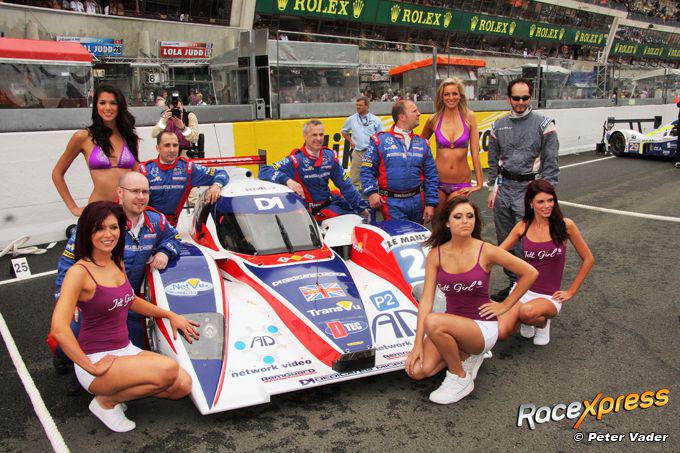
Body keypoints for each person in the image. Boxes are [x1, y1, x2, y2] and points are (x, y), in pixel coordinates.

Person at [51, 201, 197, 432]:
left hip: (124, 350)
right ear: (87, 231)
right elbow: (59, 329)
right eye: (99, 228)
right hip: (96, 359)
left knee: (183, 386)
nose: (108, 234)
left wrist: (170, 315)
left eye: (113, 227)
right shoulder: (78, 272)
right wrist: (90, 366)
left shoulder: (115, 261)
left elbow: (130, 300)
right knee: (167, 369)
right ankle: (106, 402)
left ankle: (116, 395)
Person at [404, 197, 537, 404]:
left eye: (470, 216)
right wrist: (417, 345)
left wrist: (505, 305)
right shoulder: (436, 255)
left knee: (434, 322)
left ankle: (459, 377)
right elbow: (426, 302)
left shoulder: (486, 250)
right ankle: (467, 356)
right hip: (452, 325)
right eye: (458, 217)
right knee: (417, 370)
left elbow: (530, 273)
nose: (465, 221)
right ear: (447, 223)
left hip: (481, 327)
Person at [487, 78, 559, 302]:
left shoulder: (544, 124)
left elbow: (551, 164)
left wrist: (544, 197)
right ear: (508, 98)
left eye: (525, 98)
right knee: (505, 241)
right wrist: (492, 188)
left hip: (530, 190)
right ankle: (513, 284)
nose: (520, 102)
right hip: (503, 189)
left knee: (528, 243)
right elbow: (493, 161)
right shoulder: (498, 126)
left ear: (531, 98)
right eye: (516, 98)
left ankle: (532, 288)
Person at [496, 182, 594, 345]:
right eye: (541, 201)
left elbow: (589, 259)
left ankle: (542, 323)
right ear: (531, 203)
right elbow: (498, 253)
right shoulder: (523, 226)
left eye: (550, 200)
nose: (547, 205)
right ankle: (525, 320)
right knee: (501, 333)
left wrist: (571, 291)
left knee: (527, 312)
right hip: (522, 290)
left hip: (549, 296)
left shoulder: (565, 225)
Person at [53, 84, 139, 217]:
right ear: (96, 106)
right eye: (102, 103)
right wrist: (73, 207)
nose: (108, 108)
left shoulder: (129, 137)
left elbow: (138, 175)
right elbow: (57, 173)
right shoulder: (83, 137)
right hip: (98, 212)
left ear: (120, 106)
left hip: (127, 212)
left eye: (113, 103)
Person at [259, 119, 369, 222]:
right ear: (305, 136)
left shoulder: (329, 156)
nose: (319, 138)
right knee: (351, 221)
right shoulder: (296, 159)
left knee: (362, 216)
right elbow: (264, 170)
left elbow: (346, 185)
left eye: (321, 134)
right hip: (313, 213)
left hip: (332, 202)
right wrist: (288, 181)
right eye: (314, 135)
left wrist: (361, 209)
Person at [361, 100, 439, 224]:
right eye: (414, 111)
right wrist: (371, 192)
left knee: (418, 235)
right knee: (399, 234)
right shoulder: (379, 141)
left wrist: (431, 203)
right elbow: (367, 170)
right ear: (402, 116)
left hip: (418, 202)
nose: (419, 113)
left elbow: (431, 176)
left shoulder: (423, 143)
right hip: (392, 203)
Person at [140, 131, 229, 226]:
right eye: (167, 145)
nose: (172, 150)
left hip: (170, 228)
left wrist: (216, 185)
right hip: (143, 225)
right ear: (158, 148)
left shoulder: (188, 169)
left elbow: (222, 174)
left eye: (175, 145)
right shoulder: (145, 170)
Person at [421, 78, 483, 202]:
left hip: (462, 184)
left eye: (455, 94)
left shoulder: (469, 117)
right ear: (441, 97)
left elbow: (475, 153)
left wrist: (479, 183)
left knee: (457, 214)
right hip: (437, 182)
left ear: (460, 96)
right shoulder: (433, 119)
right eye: (446, 94)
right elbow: (419, 147)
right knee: (438, 215)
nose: (451, 98)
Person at [341, 96, 383, 192]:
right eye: (357, 105)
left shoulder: (376, 120)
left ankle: (374, 193)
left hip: (372, 152)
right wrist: (350, 141)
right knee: (354, 178)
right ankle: (355, 196)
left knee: (374, 174)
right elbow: (344, 131)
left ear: (367, 106)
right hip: (358, 152)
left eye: (360, 105)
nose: (358, 107)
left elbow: (381, 135)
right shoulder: (351, 119)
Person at [151, 92, 199, 157]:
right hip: (168, 153)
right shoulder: (166, 118)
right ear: (169, 109)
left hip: (185, 153)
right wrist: (164, 120)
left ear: (182, 105)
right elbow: (153, 134)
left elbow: (194, 139)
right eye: (174, 110)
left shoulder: (189, 116)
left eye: (178, 109)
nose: (177, 112)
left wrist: (183, 128)